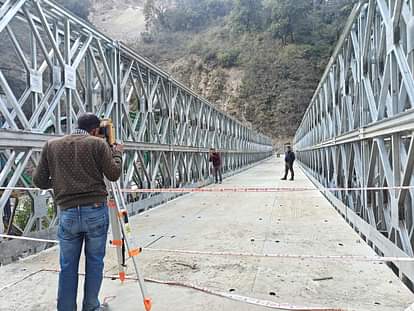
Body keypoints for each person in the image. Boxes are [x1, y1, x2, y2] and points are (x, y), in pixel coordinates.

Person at [33, 113, 123, 311]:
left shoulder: (51, 145)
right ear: (95, 130)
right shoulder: (97, 145)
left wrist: (60, 184)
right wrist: (117, 153)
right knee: (94, 263)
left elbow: (39, 181)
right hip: (95, 211)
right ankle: (91, 307)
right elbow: (113, 174)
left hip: (68, 213)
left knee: (67, 266)